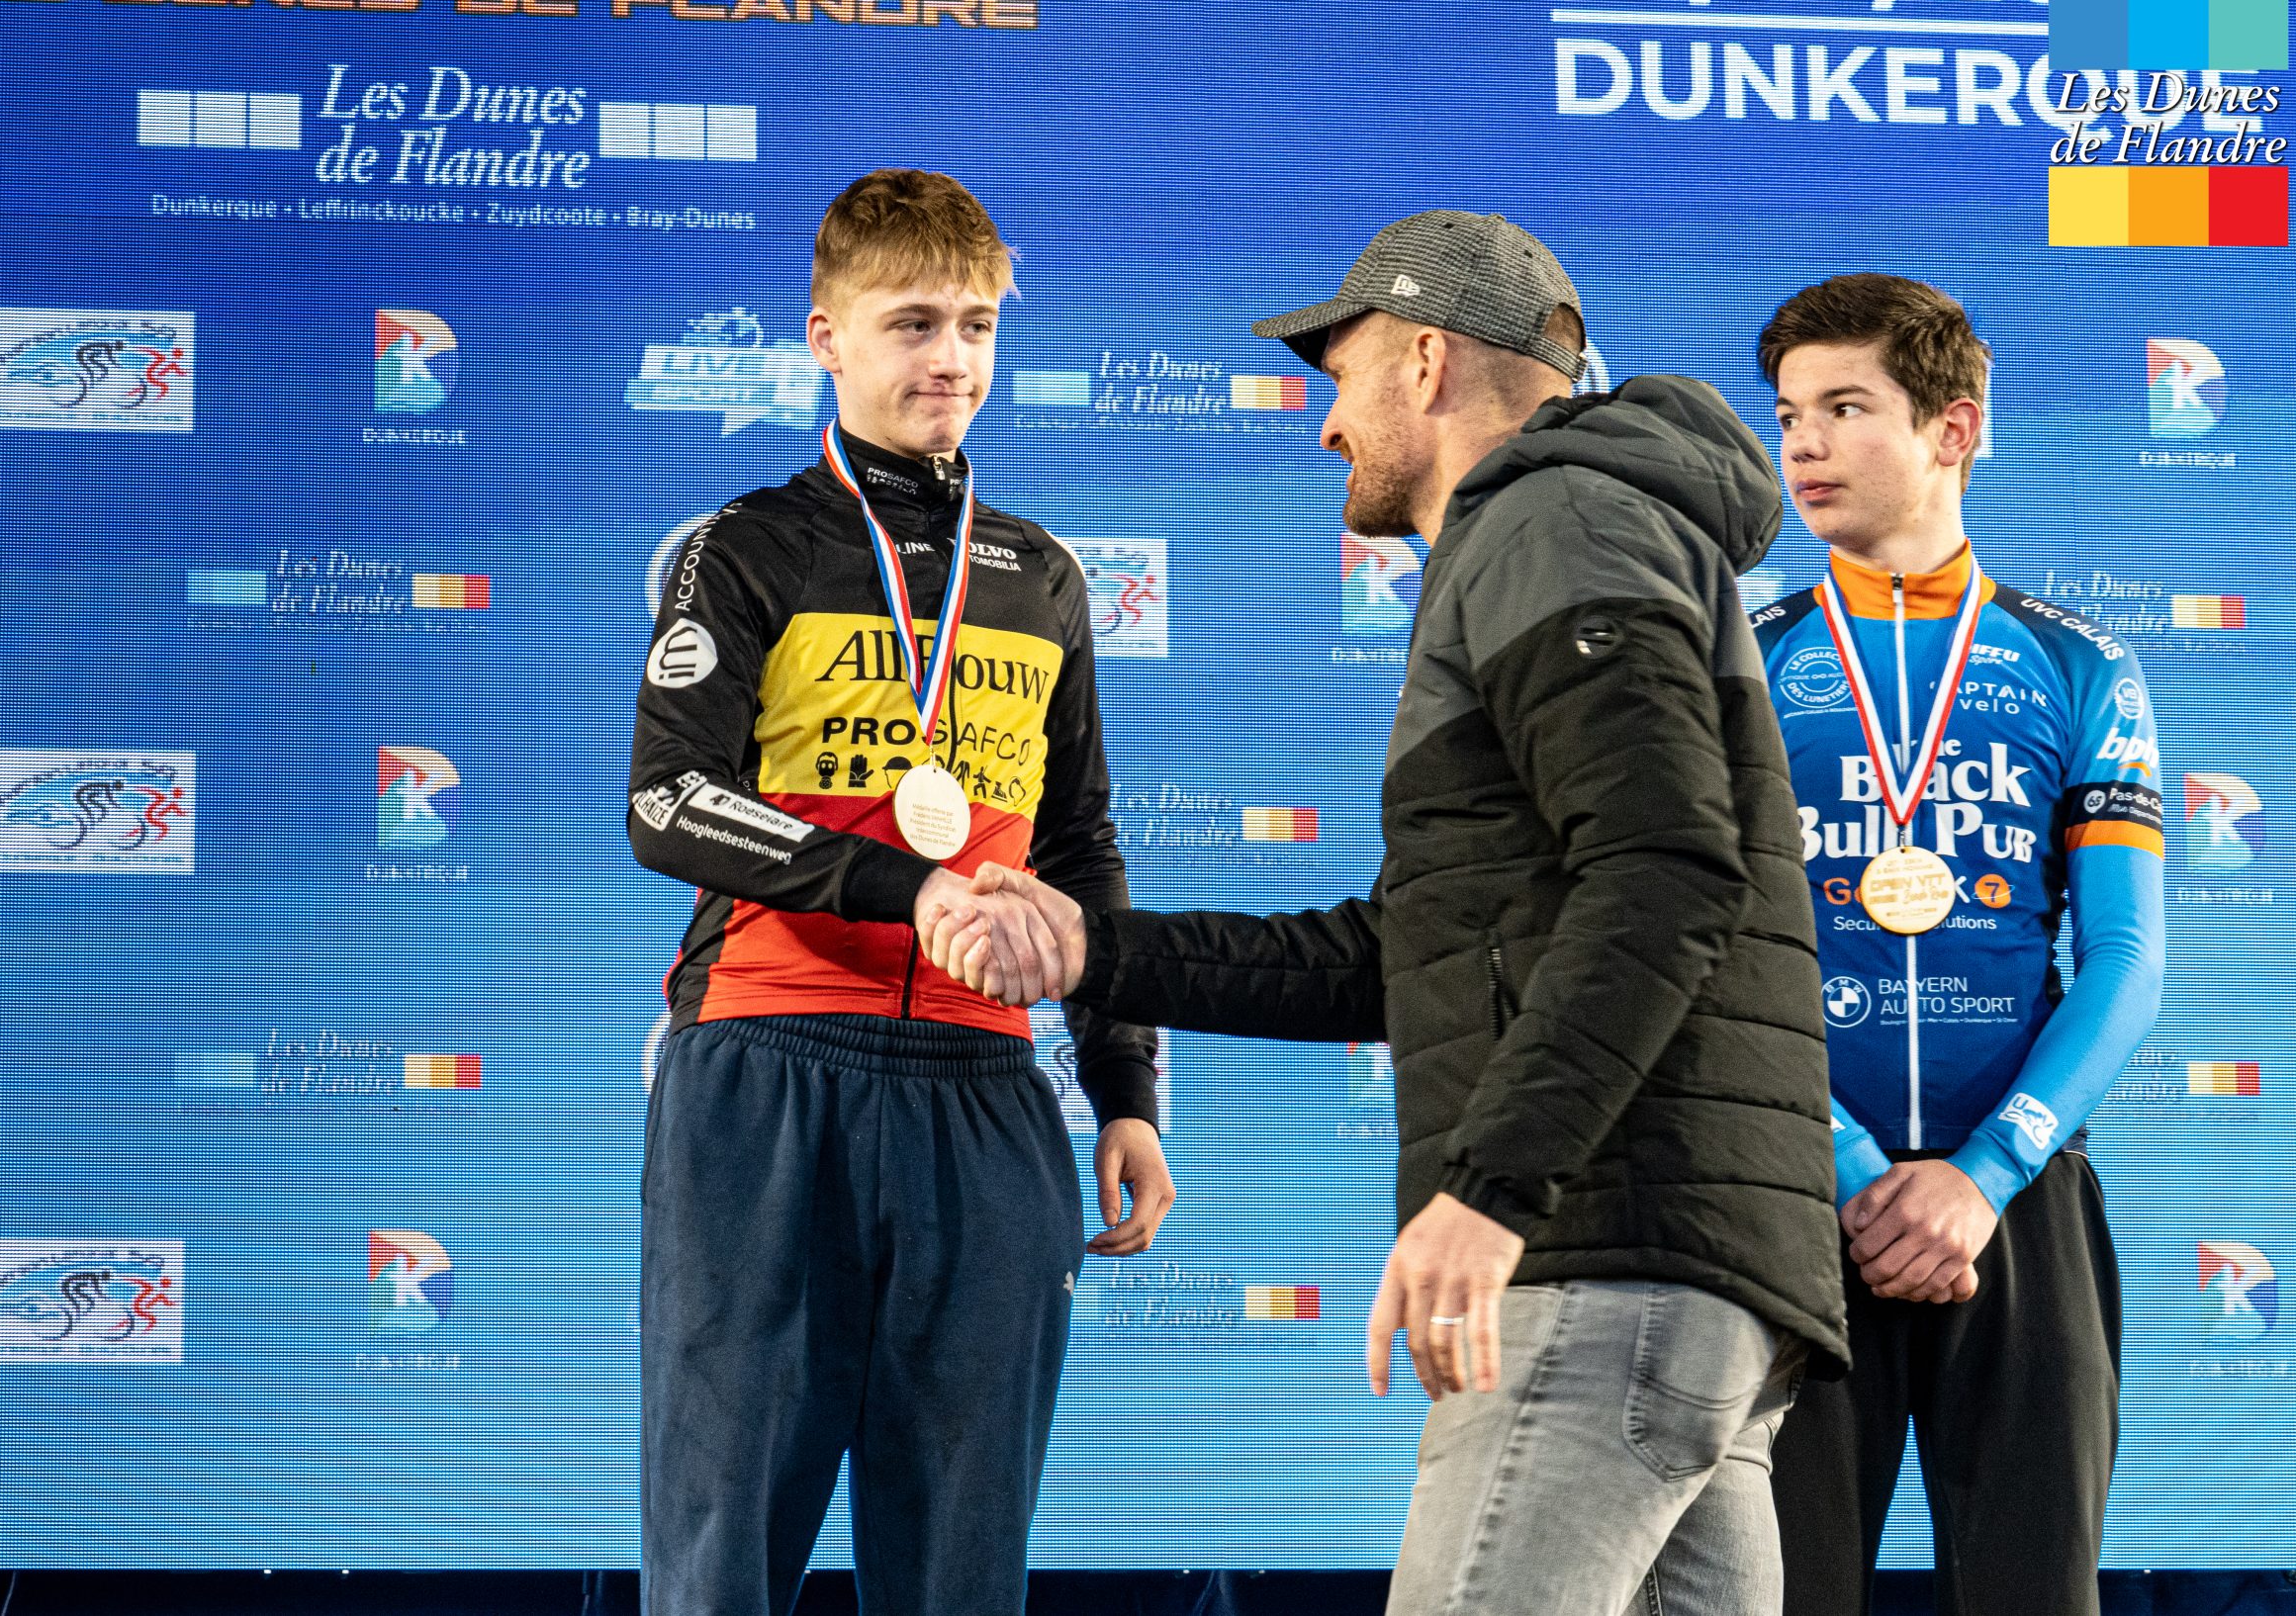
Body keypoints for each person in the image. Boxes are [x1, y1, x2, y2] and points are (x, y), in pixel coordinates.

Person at [933, 211, 1847, 1615]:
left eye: (1343, 375)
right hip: (1682, 1282)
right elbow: (1403, 955)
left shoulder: (1550, 518)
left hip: (1599, 1261)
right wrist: (1093, 947)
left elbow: (1666, 869)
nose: (1326, 425)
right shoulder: (1576, 524)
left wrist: (1491, 1194)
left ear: (1426, 361)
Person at [626, 166, 1175, 1616]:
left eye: (977, 326)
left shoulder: (1043, 575)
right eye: (913, 323)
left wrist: (1124, 1090)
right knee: (723, 1550)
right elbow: (666, 801)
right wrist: (904, 887)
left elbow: (1080, 849)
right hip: (769, 1059)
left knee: (962, 1570)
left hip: (985, 1083)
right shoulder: (749, 548)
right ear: (826, 336)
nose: (952, 359)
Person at [1747, 273, 2166, 1616]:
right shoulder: (1736, 663)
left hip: (2018, 1198)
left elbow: (2125, 959)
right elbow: (1716, 959)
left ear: (1953, 428)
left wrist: (1982, 1175)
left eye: (1844, 407)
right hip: (1796, 1196)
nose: (1802, 443)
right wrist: (1853, 1169)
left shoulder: (2080, 663)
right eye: (1788, 414)